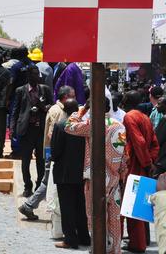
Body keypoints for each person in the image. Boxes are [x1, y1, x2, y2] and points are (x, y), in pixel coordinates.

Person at [65, 98, 126, 254]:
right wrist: (122, 172)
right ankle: (115, 249)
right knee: (114, 217)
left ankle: (98, 249)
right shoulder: (120, 125)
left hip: (96, 178)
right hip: (114, 177)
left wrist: (82, 110)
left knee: (95, 215)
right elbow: (125, 154)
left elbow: (68, 126)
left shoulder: (92, 125)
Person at [18, 85, 75, 226]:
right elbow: (52, 133)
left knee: (47, 181)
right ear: (65, 97)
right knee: (47, 181)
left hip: (53, 151)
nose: (75, 98)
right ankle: (29, 206)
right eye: (73, 95)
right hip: (55, 152)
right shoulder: (58, 111)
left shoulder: (56, 109)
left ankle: (29, 205)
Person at [121, 90, 159, 253]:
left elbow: (140, 142)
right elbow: (154, 144)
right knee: (141, 204)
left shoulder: (129, 117)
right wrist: (150, 162)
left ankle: (137, 244)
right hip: (143, 165)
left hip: (135, 166)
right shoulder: (144, 117)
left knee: (132, 203)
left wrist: (145, 162)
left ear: (127, 100)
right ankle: (140, 241)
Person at [51, 99, 90, 249]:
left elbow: (55, 152)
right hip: (81, 172)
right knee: (80, 205)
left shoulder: (61, 126)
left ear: (64, 111)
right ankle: (84, 237)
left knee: (67, 207)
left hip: (65, 173)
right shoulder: (84, 126)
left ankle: (70, 239)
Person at [11, 65, 54, 197]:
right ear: (28, 76)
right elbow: (15, 110)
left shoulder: (45, 90)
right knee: (25, 160)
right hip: (26, 129)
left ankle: (38, 186)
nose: (37, 77)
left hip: (41, 129)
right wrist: (12, 128)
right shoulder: (20, 90)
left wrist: (42, 107)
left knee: (41, 161)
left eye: (38, 74)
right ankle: (27, 186)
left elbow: (52, 106)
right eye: (34, 74)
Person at [153, 97, 166, 177]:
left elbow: (157, 140)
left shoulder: (164, 120)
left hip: (162, 160)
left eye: (159, 104)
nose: (156, 106)